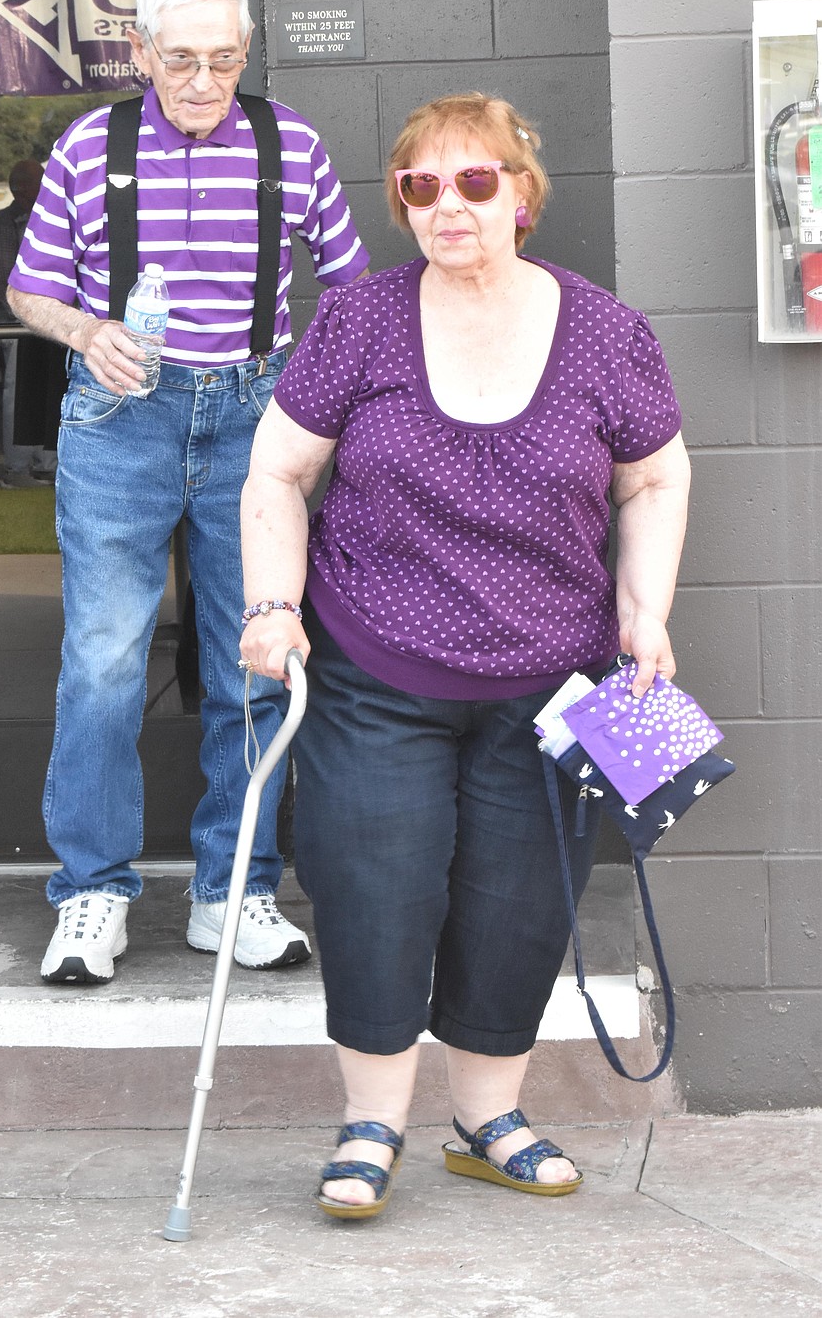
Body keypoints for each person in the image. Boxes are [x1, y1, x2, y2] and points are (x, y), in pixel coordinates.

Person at [239, 92, 690, 1218]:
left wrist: (646, 611)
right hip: (376, 672)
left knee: (520, 902)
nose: (448, 204)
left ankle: (489, 1119)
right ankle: (371, 1126)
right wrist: (270, 603)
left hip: (552, 681)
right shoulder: (359, 323)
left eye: (475, 182)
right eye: (421, 186)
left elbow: (655, 477)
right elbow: (278, 475)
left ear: (523, 196)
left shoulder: (606, 332)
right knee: (371, 890)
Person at [6, 0, 369, 983]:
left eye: (224, 59)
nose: (204, 82)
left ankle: (234, 890)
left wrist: (312, 402)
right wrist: (86, 330)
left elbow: (352, 293)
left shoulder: (288, 145)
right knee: (105, 660)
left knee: (251, 658)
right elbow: (29, 288)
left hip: (256, 420)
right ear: (140, 54)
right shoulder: (89, 147)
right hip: (120, 420)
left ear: (247, 52)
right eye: (181, 61)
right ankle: (89, 894)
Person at [0, 158, 59, 486]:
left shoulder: (48, 217)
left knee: (48, 390)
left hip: (51, 322)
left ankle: (45, 462)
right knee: (18, 393)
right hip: (19, 323)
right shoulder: (3, 224)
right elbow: (3, 280)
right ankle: (16, 468)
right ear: (22, 189)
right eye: (38, 182)